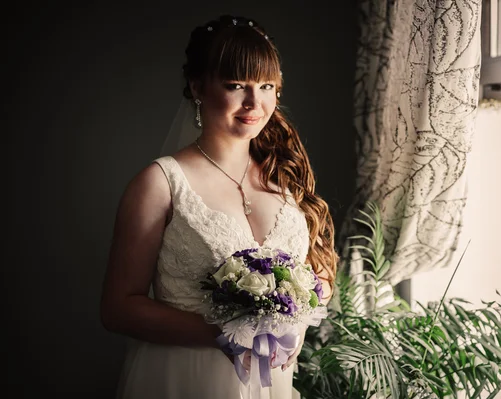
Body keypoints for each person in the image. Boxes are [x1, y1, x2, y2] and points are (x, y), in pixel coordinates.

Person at [100, 14, 338, 399]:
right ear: (197, 87)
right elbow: (118, 308)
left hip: (271, 383)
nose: (254, 102)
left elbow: (321, 273)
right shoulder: (161, 183)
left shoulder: (286, 178)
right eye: (235, 85)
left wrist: (304, 302)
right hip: (187, 378)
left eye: (266, 86)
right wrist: (226, 333)